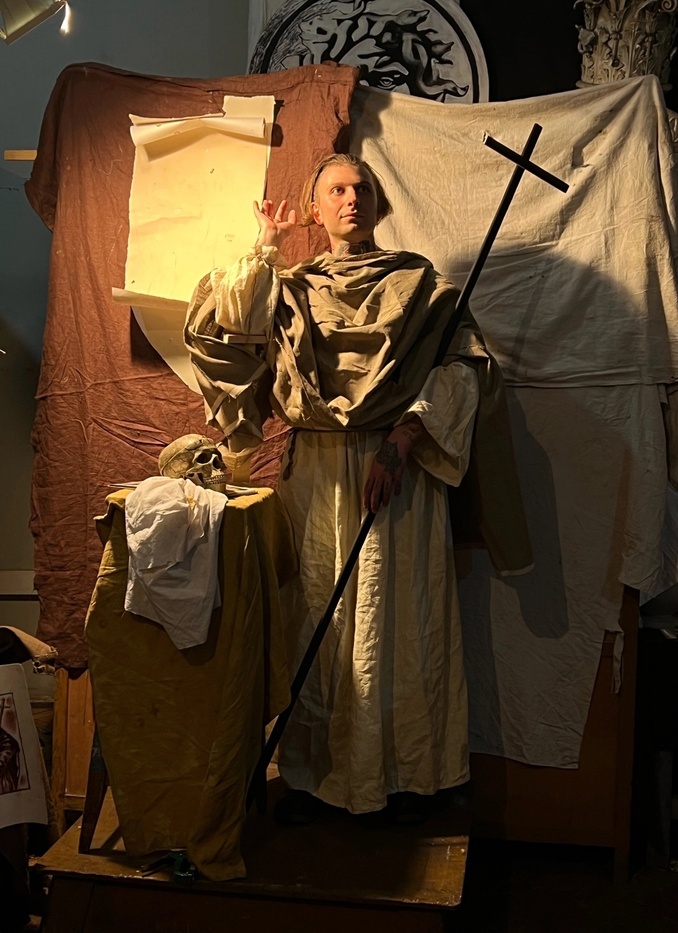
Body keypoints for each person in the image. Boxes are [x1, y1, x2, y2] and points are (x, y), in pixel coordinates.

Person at [186, 153, 509, 822]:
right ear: (316, 209)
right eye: (336, 189)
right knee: (320, 620)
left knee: (401, 618)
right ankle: (319, 776)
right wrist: (265, 249)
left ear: (378, 203)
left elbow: (462, 368)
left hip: (398, 474)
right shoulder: (292, 289)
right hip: (318, 475)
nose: (351, 198)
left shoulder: (419, 284)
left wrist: (403, 439)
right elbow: (228, 339)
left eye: (362, 188)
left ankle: (406, 776)